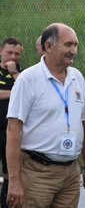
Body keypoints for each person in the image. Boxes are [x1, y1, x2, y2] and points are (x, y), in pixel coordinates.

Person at [6, 23, 85, 208]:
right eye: (68, 44)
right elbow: (13, 130)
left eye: (76, 45)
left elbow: (82, 124)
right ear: (48, 46)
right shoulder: (28, 79)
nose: (74, 51)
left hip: (71, 174)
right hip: (37, 173)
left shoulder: (77, 77)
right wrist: (14, 181)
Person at [0, 37, 23, 208]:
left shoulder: (20, 73)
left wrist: (14, 72)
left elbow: (27, 91)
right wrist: (14, 92)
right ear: (1, 51)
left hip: (9, 132)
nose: (13, 57)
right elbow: (19, 92)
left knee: (10, 174)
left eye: (17, 54)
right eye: (9, 52)